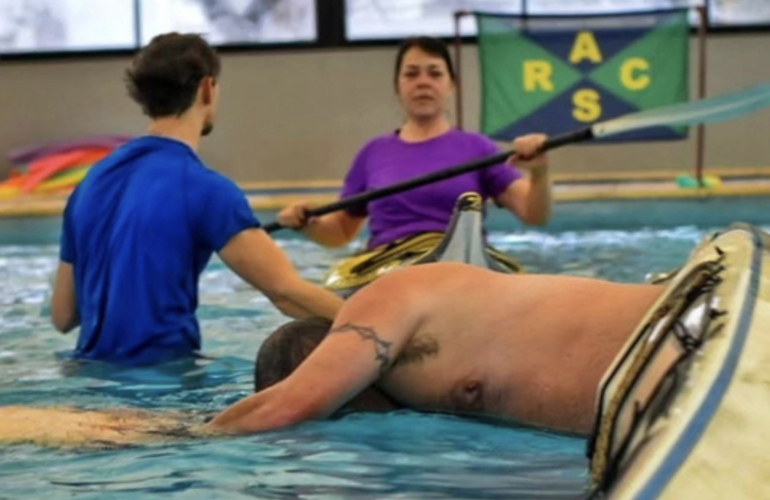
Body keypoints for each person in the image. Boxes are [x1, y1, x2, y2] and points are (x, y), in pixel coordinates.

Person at [50, 33, 343, 366]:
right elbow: (287, 294)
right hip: (163, 393)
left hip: (87, 387)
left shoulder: (90, 184)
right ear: (207, 88)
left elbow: (63, 316)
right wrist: (391, 324)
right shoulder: (206, 189)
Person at [209, 262, 664, 435]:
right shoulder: (420, 387)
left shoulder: (388, 299)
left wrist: (179, 436)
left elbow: (289, 405)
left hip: (681, 331)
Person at [276, 36, 552, 250]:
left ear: (451, 85)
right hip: (389, 274)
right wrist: (306, 224)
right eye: (411, 74)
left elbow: (533, 213)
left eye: (434, 73)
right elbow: (340, 233)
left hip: (463, 275)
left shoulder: (478, 148)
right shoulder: (372, 153)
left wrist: (539, 172)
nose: (423, 82)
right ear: (398, 86)